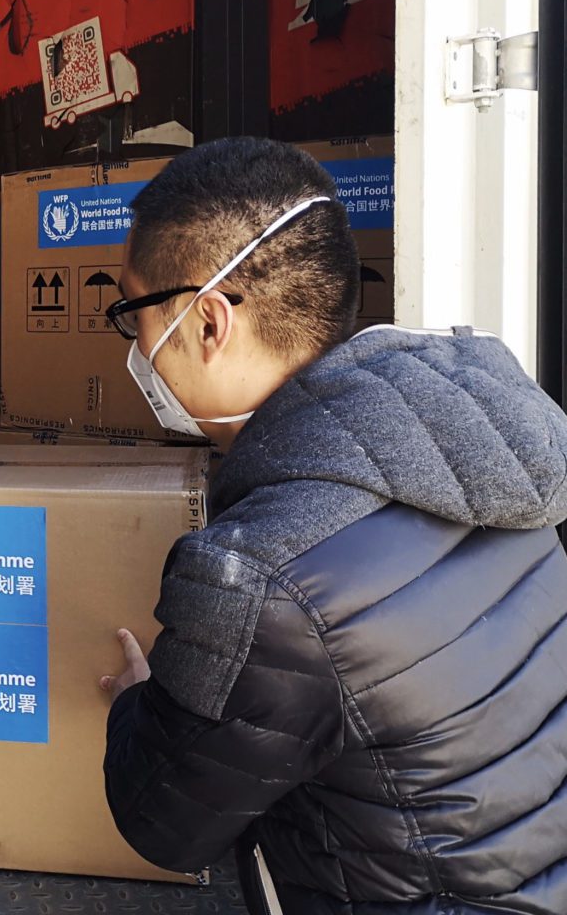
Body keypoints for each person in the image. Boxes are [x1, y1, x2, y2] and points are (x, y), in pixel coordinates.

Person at [99, 137, 567, 914]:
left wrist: (140, 706)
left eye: (133, 311)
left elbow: (165, 822)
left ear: (208, 322)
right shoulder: (481, 445)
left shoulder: (263, 579)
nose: (137, 346)